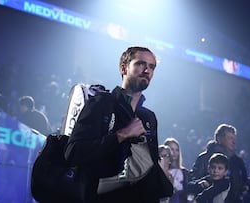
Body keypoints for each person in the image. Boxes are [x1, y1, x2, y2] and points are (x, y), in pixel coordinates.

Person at [64, 46, 173, 202]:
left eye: (151, 67)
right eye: (140, 64)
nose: (147, 70)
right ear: (124, 68)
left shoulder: (148, 118)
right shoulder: (101, 103)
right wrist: (122, 134)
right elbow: (73, 153)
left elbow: (149, 166)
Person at [190, 124, 248, 203]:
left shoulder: (238, 161)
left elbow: (244, 182)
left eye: (234, 138)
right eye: (230, 138)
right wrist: (201, 184)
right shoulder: (204, 158)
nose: (234, 141)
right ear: (219, 138)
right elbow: (193, 179)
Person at [164, 137, 190, 203]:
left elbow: (188, 192)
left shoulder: (184, 172)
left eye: (177, 150)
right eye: (172, 149)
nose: (175, 152)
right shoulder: (160, 172)